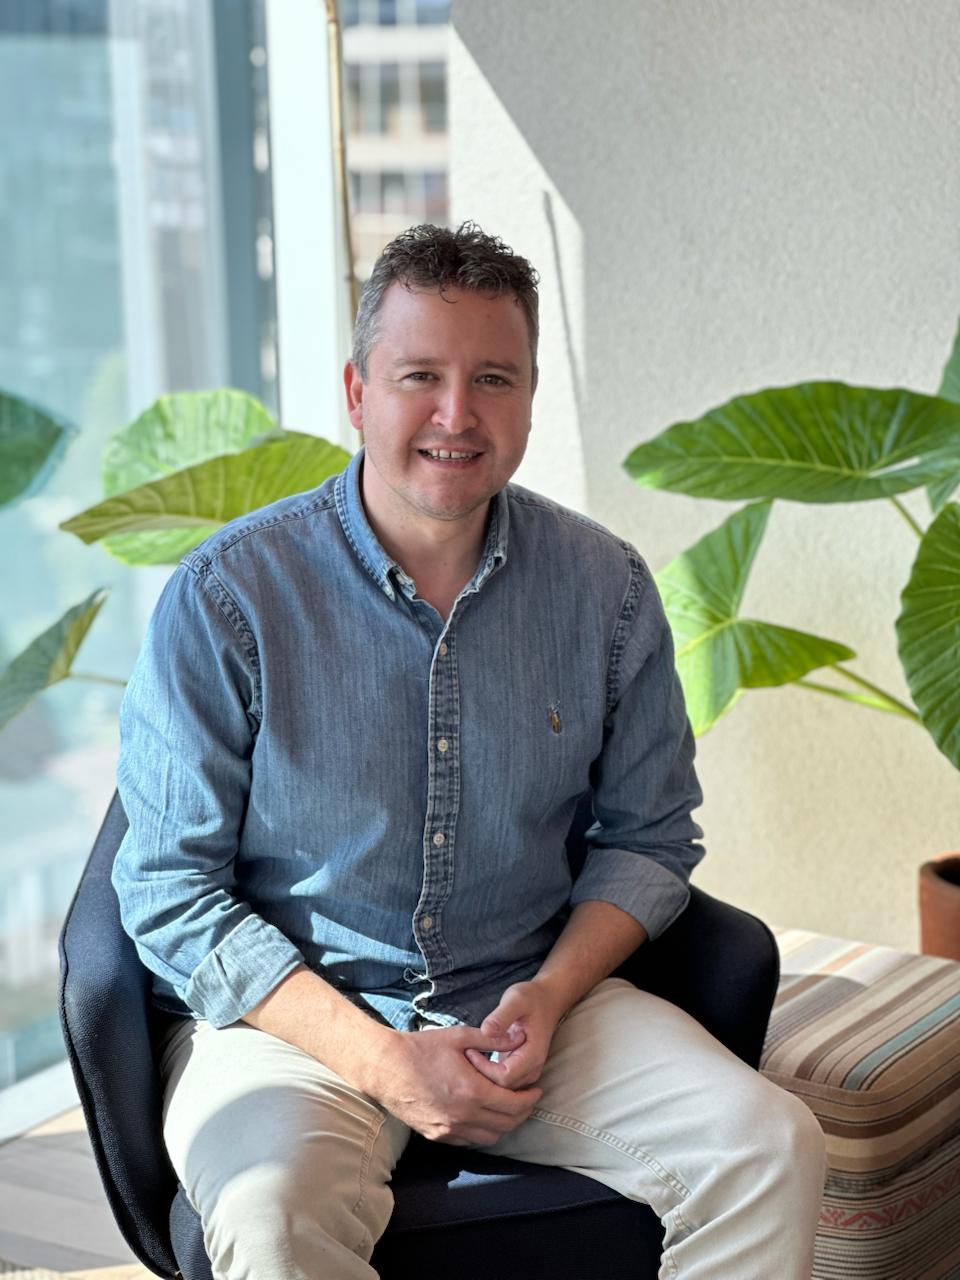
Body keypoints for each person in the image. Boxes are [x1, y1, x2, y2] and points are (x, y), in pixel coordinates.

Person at [113, 222, 826, 1279]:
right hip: (295, 1020)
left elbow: (650, 837)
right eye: (421, 377)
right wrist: (380, 1059)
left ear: (530, 397)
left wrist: (552, 991)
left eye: (494, 378)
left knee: (770, 1147)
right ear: (357, 393)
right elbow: (169, 889)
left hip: (527, 1000)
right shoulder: (229, 597)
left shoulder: (607, 589)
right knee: (272, 1214)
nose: (457, 414)